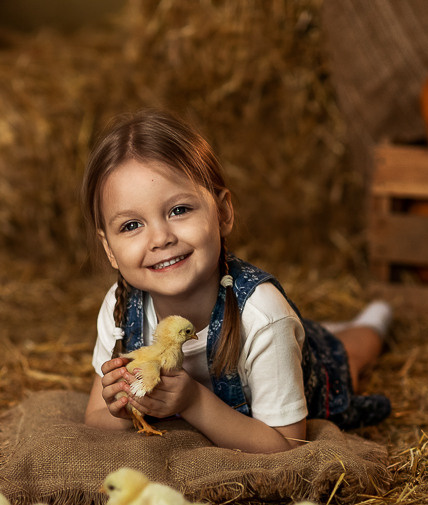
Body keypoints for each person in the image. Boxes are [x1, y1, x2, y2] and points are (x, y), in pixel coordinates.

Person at [82, 108, 391, 453]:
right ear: (109, 249)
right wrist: (122, 410)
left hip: (313, 367)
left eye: (179, 210)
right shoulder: (120, 306)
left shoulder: (262, 315)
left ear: (223, 213)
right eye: (131, 225)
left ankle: (374, 319)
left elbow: (287, 444)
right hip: (275, 337)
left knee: (349, 355)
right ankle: (313, 330)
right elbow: (96, 417)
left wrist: (193, 401)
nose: (160, 238)